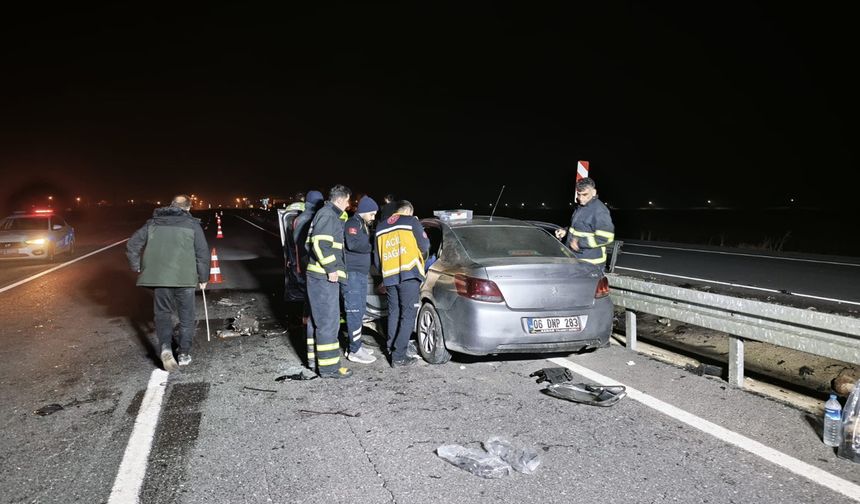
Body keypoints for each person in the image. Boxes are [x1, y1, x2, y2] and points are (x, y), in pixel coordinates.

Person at [126, 195, 210, 371]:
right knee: (186, 317)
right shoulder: (192, 225)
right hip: (185, 279)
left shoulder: (153, 223)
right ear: (188, 208)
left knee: (163, 314)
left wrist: (137, 266)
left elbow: (133, 245)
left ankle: (165, 347)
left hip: (160, 278)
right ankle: (184, 353)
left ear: (171, 205)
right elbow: (202, 254)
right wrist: (203, 278)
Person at [305, 184, 353, 378]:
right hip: (323, 277)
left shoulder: (325, 214)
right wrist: (331, 268)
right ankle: (329, 368)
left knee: (317, 321)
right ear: (341, 199)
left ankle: (314, 362)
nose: (349, 205)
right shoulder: (328, 215)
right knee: (328, 322)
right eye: (348, 201)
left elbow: (311, 243)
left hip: (318, 277)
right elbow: (319, 243)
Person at [375, 200, 429, 367]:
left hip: (389, 275)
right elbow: (425, 245)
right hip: (409, 273)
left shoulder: (380, 227)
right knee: (407, 315)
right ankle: (399, 356)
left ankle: (391, 348)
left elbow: (377, 260)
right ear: (409, 211)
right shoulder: (412, 221)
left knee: (393, 313)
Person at [343, 195, 379, 364]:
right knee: (354, 312)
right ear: (364, 211)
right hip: (353, 275)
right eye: (371, 214)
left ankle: (356, 344)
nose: (373, 217)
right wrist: (374, 247)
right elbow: (353, 244)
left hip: (360, 274)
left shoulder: (362, 224)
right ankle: (354, 350)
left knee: (359, 311)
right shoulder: (352, 223)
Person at [554, 177, 615, 270]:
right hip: (576, 259)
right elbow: (579, 228)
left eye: (585, 194)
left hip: (591, 263)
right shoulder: (581, 206)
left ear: (594, 192)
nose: (581, 198)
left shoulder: (600, 211)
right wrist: (565, 231)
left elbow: (606, 237)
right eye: (579, 194)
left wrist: (579, 243)